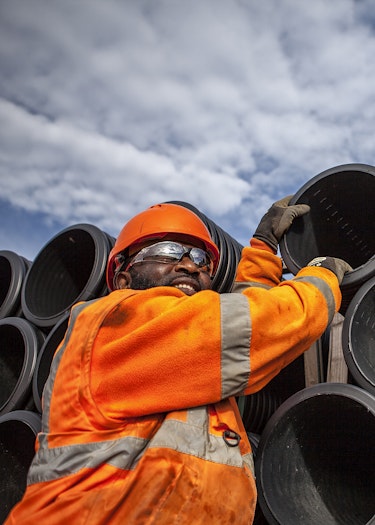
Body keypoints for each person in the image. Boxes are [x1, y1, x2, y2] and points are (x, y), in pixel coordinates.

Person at [5, 198, 351, 525]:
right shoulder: (114, 325)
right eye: (167, 251)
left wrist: (261, 249)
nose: (189, 264)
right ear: (122, 277)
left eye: (200, 258)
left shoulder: (186, 355)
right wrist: (321, 276)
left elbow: (229, 325)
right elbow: (257, 328)